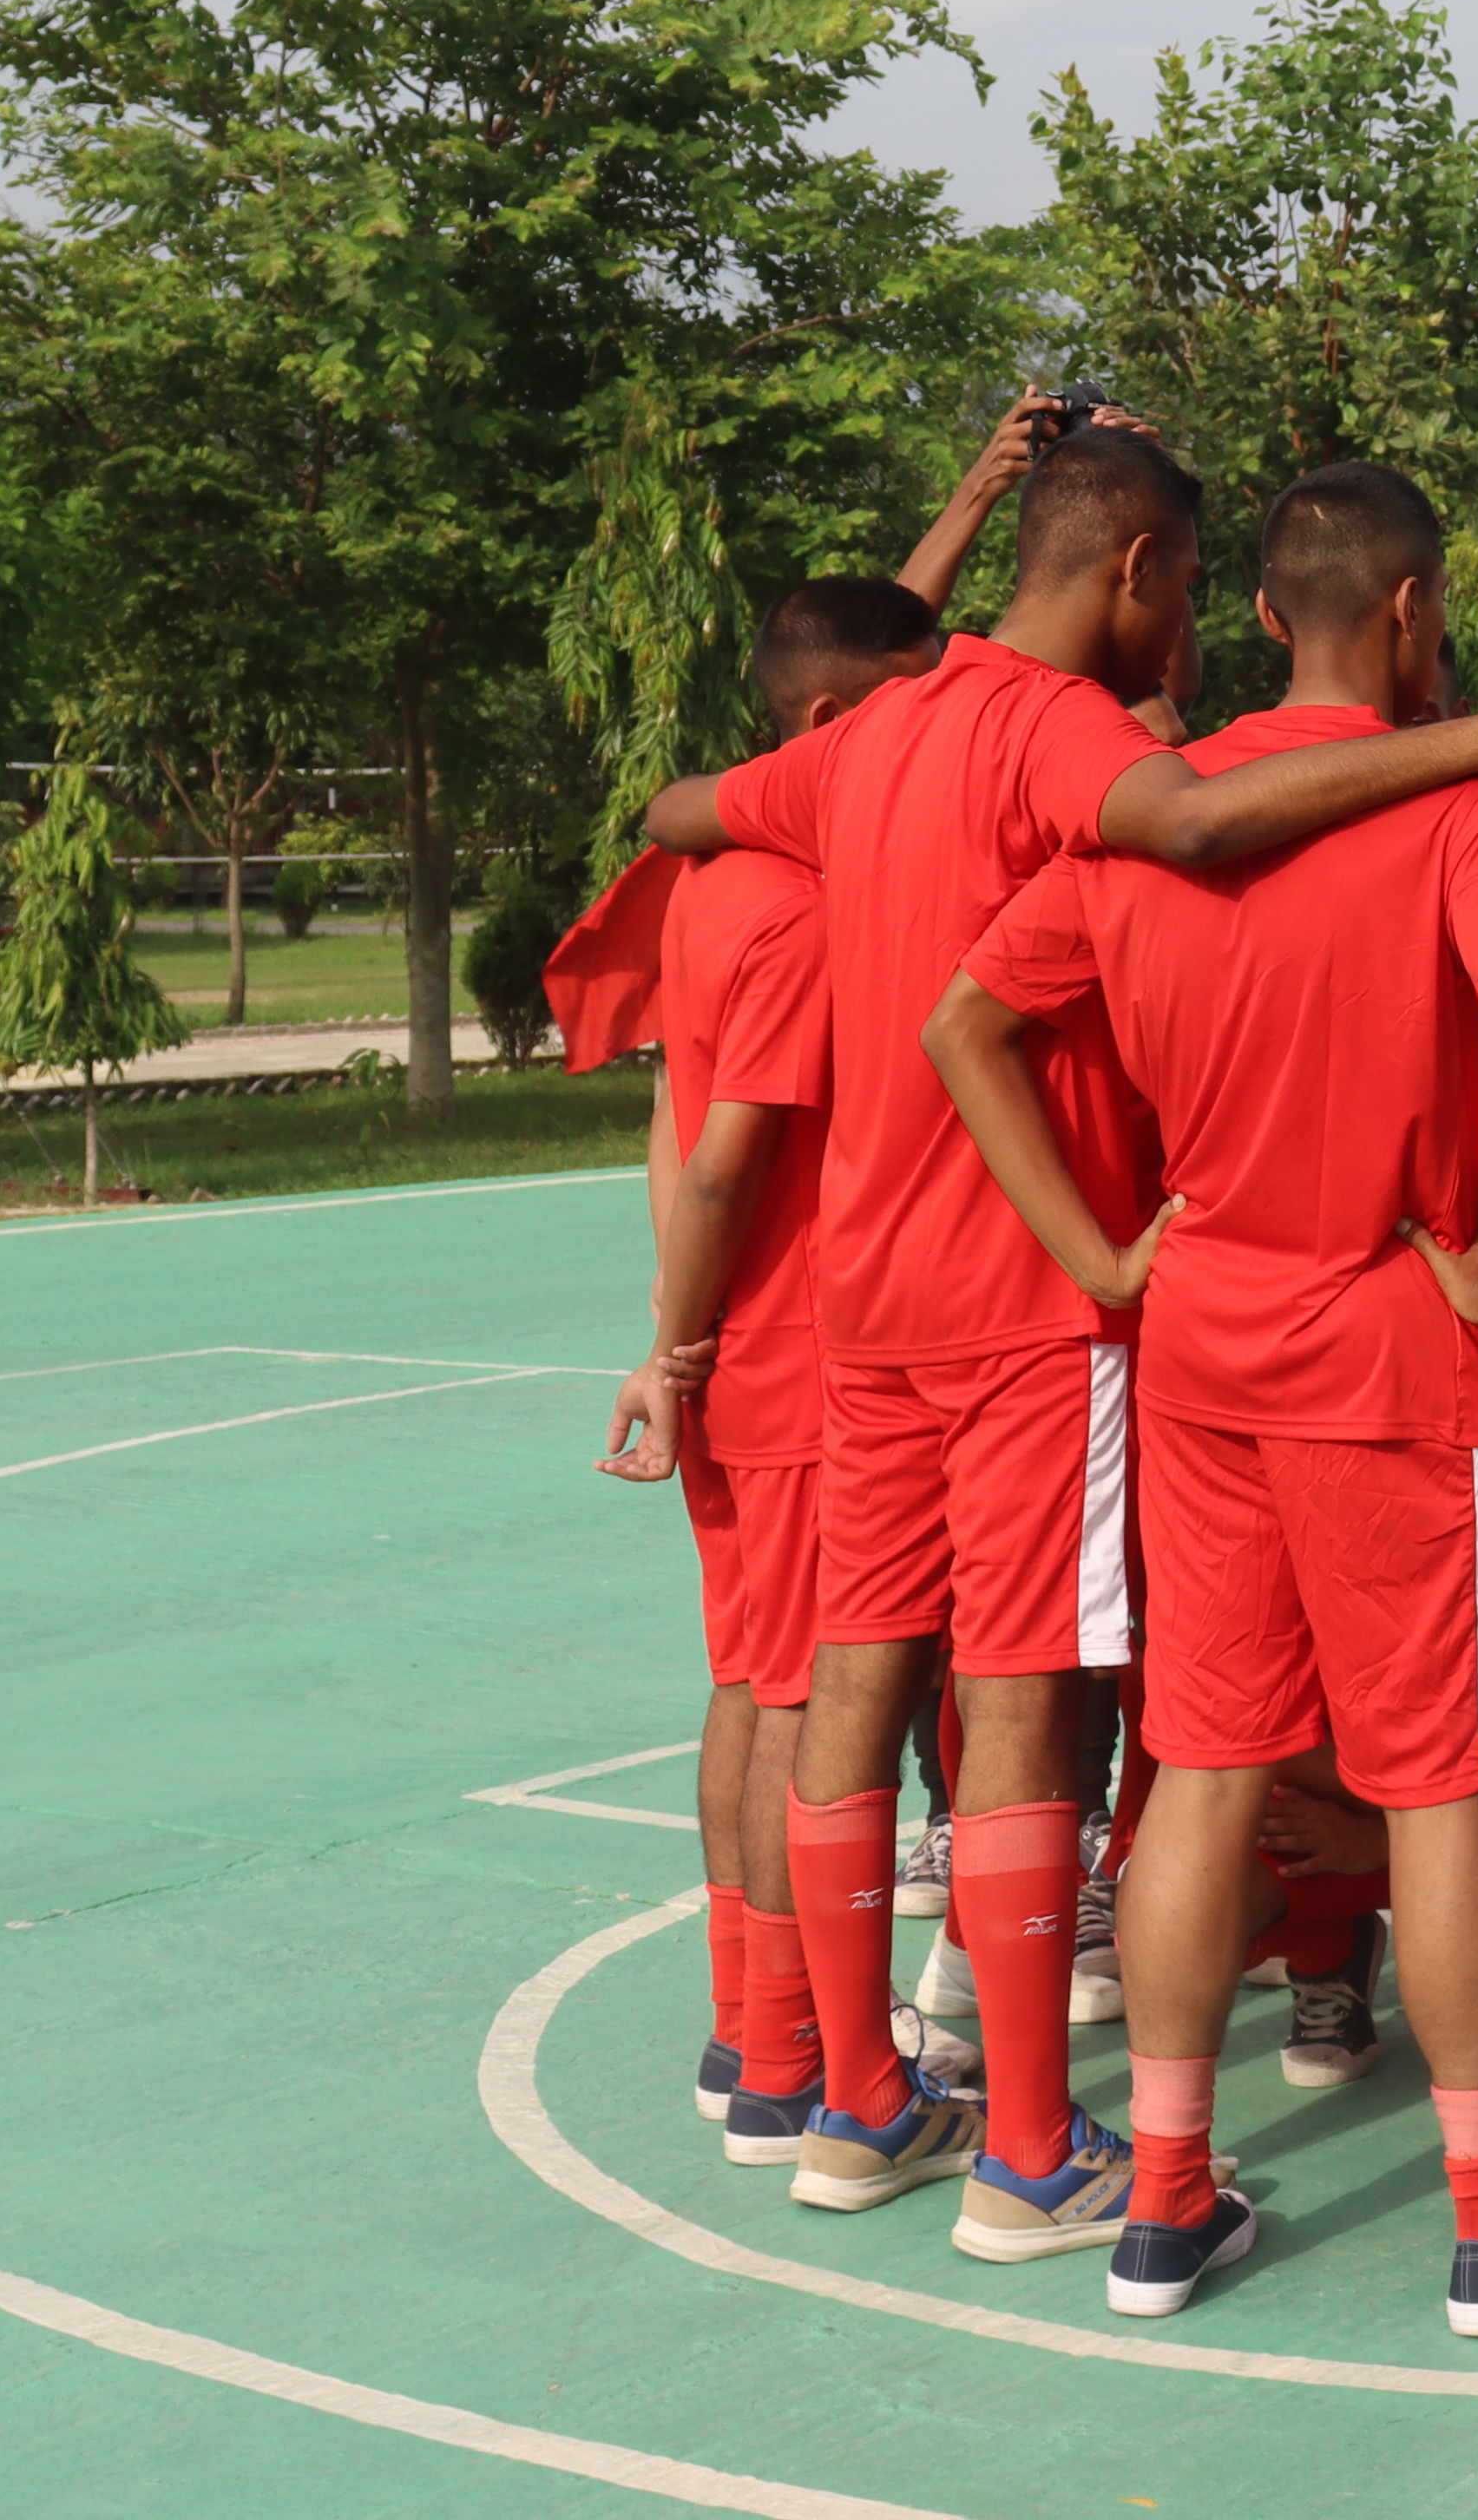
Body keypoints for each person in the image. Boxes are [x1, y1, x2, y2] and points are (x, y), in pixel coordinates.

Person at [640, 422, 1478, 2257]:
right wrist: (1476, 742)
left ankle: (848, 2093)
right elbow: (1214, 827)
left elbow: (693, 816)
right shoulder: (1068, 737)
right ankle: (1034, 2150)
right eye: (1181, 593)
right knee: (1037, 1704)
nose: (1190, 639)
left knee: (858, 1677)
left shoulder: (864, 736)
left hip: (866, 1286)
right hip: (1041, 1300)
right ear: (1140, 572)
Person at [934, 459, 1478, 2338]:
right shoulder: (1454, 805)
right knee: (1441, 1782)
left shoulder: (1155, 814)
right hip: (1392, 1337)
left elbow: (963, 1026)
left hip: (1204, 1331)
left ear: (1260, 613)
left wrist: (1104, 1257)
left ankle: (1166, 2200)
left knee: (1201, 1768)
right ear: (1413, 610)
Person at [584, 575, 943, 2165]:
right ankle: (795, 2063)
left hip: (735, 1352)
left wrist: (673, 1343)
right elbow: (726, 1155)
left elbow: (669, 1125)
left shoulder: (712, 882)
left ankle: (748, 2028)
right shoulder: (797, 908)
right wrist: (682, 1342)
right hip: (797, 1358)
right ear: (828, 724)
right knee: (808, 1701)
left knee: (746, 1686)